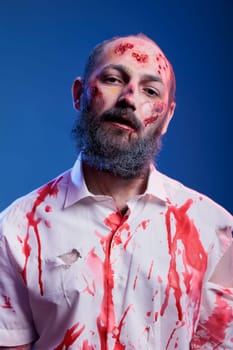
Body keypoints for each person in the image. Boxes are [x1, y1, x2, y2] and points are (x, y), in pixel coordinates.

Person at [0, 33, 232, 350]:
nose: (129, 97)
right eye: (112, 79)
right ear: (79, 93)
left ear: (167, 117)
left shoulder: (217, 233)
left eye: (151, 90)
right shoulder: (17, 230)